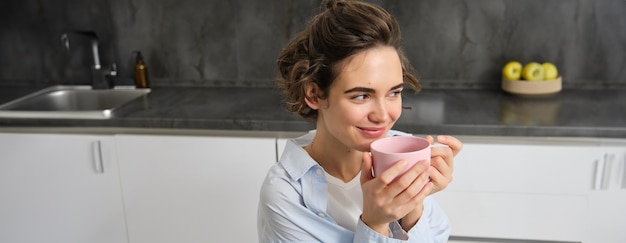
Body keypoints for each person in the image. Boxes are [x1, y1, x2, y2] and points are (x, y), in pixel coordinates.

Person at [257, 0, 463, 242]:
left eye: (394, 92)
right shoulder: (285, 193)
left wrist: (413, 204)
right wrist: (375, 223)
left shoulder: (405, 156)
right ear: (314, 94)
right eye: (362, 95)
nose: (383, 115)